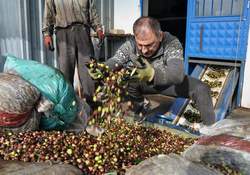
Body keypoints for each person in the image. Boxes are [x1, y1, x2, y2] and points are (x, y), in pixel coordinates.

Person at [91, 16, 215, 126]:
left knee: (201, 88)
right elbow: (116, 60)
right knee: (128, 79)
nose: (144, 51)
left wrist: (152, 74)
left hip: (169, 83)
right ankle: (140, 107)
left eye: (149, 45)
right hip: (143, 83)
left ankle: (211, 130)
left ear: (160, 36)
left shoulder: (171, 42)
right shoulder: (130, 45)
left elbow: (177, 75)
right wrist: (103, 68)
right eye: (140, 45)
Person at [42, 0, 104, 103]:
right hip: (63, 33)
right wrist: (47, 34)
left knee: (88, 71)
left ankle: (92, 107)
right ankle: (68, 108)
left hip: (83, 32)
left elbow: (92, 11)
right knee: (65, 72)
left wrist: (98, 28)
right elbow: (49, 12)